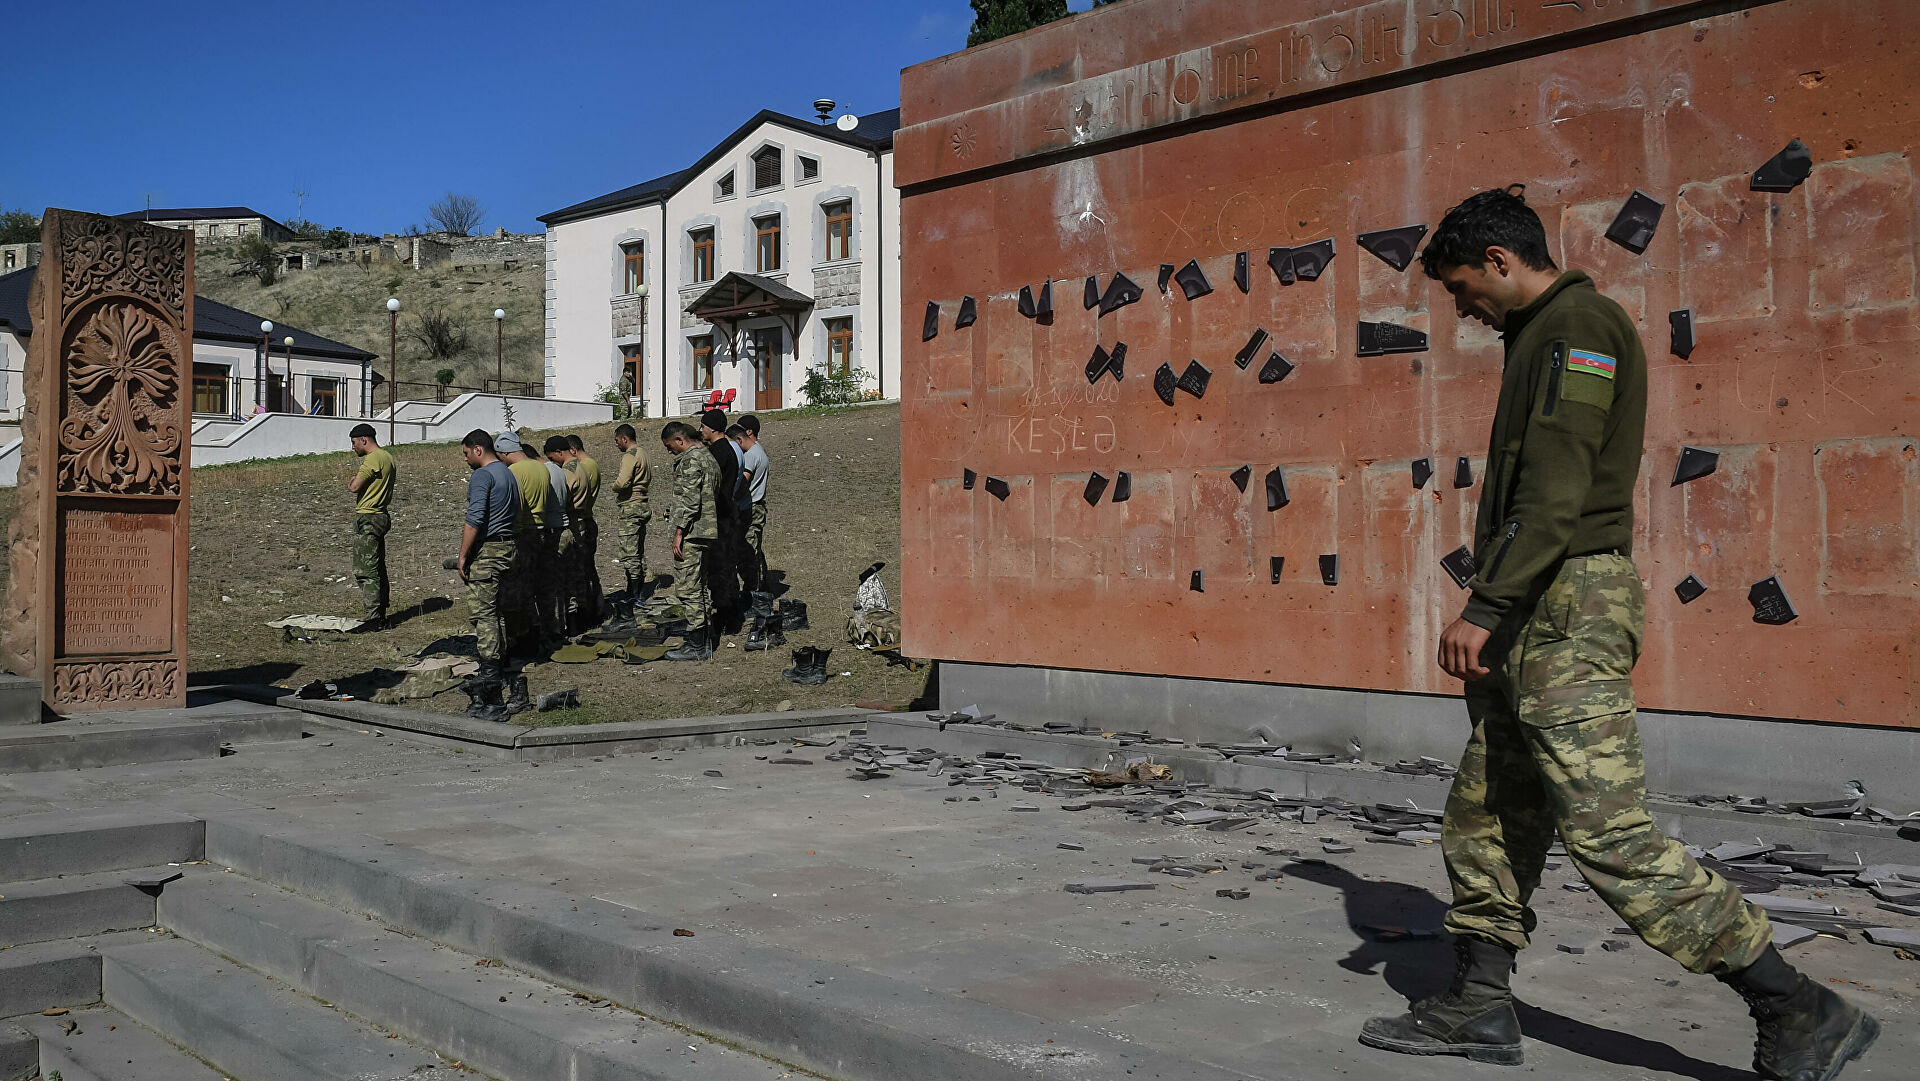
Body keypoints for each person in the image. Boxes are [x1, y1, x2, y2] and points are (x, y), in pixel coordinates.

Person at [1359, 187, 1879, 1079]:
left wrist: (1484, 605)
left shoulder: (1576, 328)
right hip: (1535, 604)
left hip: (1565, 604)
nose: (1461, 310)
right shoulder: (1540, 334)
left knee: (1608, 833)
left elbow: (1556, 487)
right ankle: (1481, 1005)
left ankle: (1796, 1005)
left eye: (1459, 291)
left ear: (1499, 261)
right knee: (1489, 807)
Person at [639, 421, 720, 661]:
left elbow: (691, 500)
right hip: (705, 530)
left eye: (669, 446)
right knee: (701, 587)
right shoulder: (708, 457)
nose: (669, 451)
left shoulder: (690, 460)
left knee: (688, 589)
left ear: (680, 440)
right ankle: (705, 638)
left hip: (693, 533)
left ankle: (696, 645)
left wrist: (679, 531)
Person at [455, 430, 518, 720]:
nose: (465, 459)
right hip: (508, 548)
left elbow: (475, 517)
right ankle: (503, 668)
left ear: (478, 449)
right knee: (500, 613)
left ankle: (491, 682)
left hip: (489, 551)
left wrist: (463, 554)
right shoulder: (507, 473)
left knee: (484, 616)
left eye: (466, 453)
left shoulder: (483, 476)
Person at [495, 431, 562, 652]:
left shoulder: (514, 471)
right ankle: (546, 630)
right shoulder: (541, 468)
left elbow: (513, 504)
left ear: (505, 452)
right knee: (541, 585)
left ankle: (528, 635)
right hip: (542, 530)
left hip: (523, 532)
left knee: (521, 589)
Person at [698, 409, 746, 629]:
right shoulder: (729, 449)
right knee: (726, 566)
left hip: (719, 516)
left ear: (712, 428)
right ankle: (729, 610)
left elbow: (710, 488)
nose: (700, 431)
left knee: (718, 569)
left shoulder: (717, 453)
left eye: (703, 426)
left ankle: (725, 615)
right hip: (727, 513)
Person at [346, 423, 395, 631]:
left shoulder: (373, 458)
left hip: (368, 517)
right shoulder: (388, 457)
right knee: (377, 566)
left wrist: (352, 483)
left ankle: (373, 618)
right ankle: (380, 611)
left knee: (365, 569)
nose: (353, 447)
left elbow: (355, 486)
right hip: (381, 514)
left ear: (364, 440)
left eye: (354, 443)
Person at [609, 423, 652, 609]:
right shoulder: (643, 453)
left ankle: (634, 594)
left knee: (629, 554)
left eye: (617, 441)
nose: (617, 444)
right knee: (638, 551)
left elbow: (622, 481)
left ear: (625, 439)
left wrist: (614, 487)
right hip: (642, 504)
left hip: (631, 506)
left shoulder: (630, 456)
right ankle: (637, 591)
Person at [565, 433, 603, 627]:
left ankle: (590, 611)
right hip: (587, 518)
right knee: (588, 569)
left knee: (581, 572)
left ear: (572, 450)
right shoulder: (591, 465)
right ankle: (596, 607)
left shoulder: (583, 467)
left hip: (582, 520)